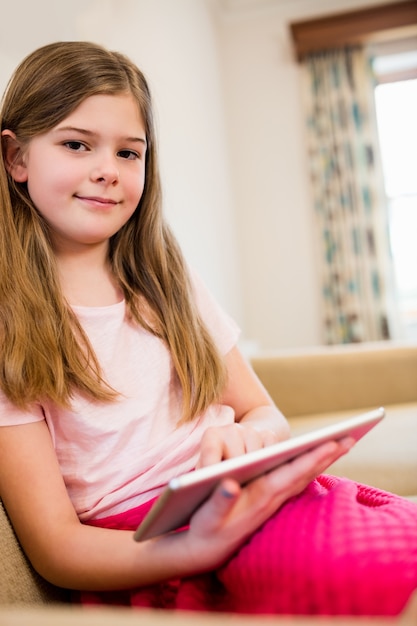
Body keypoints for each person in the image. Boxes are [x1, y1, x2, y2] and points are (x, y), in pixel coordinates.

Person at [0, 41, 415, 617]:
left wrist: (251, 441)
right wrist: (195, 546)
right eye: (77, 145)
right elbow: (57, 549)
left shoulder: (166, 278)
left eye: (129, 153)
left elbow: (263, 412)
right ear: (16, 158)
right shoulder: (10, 323)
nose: (107, 170)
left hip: (257, 502)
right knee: (368, 576)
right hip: (158, 546)